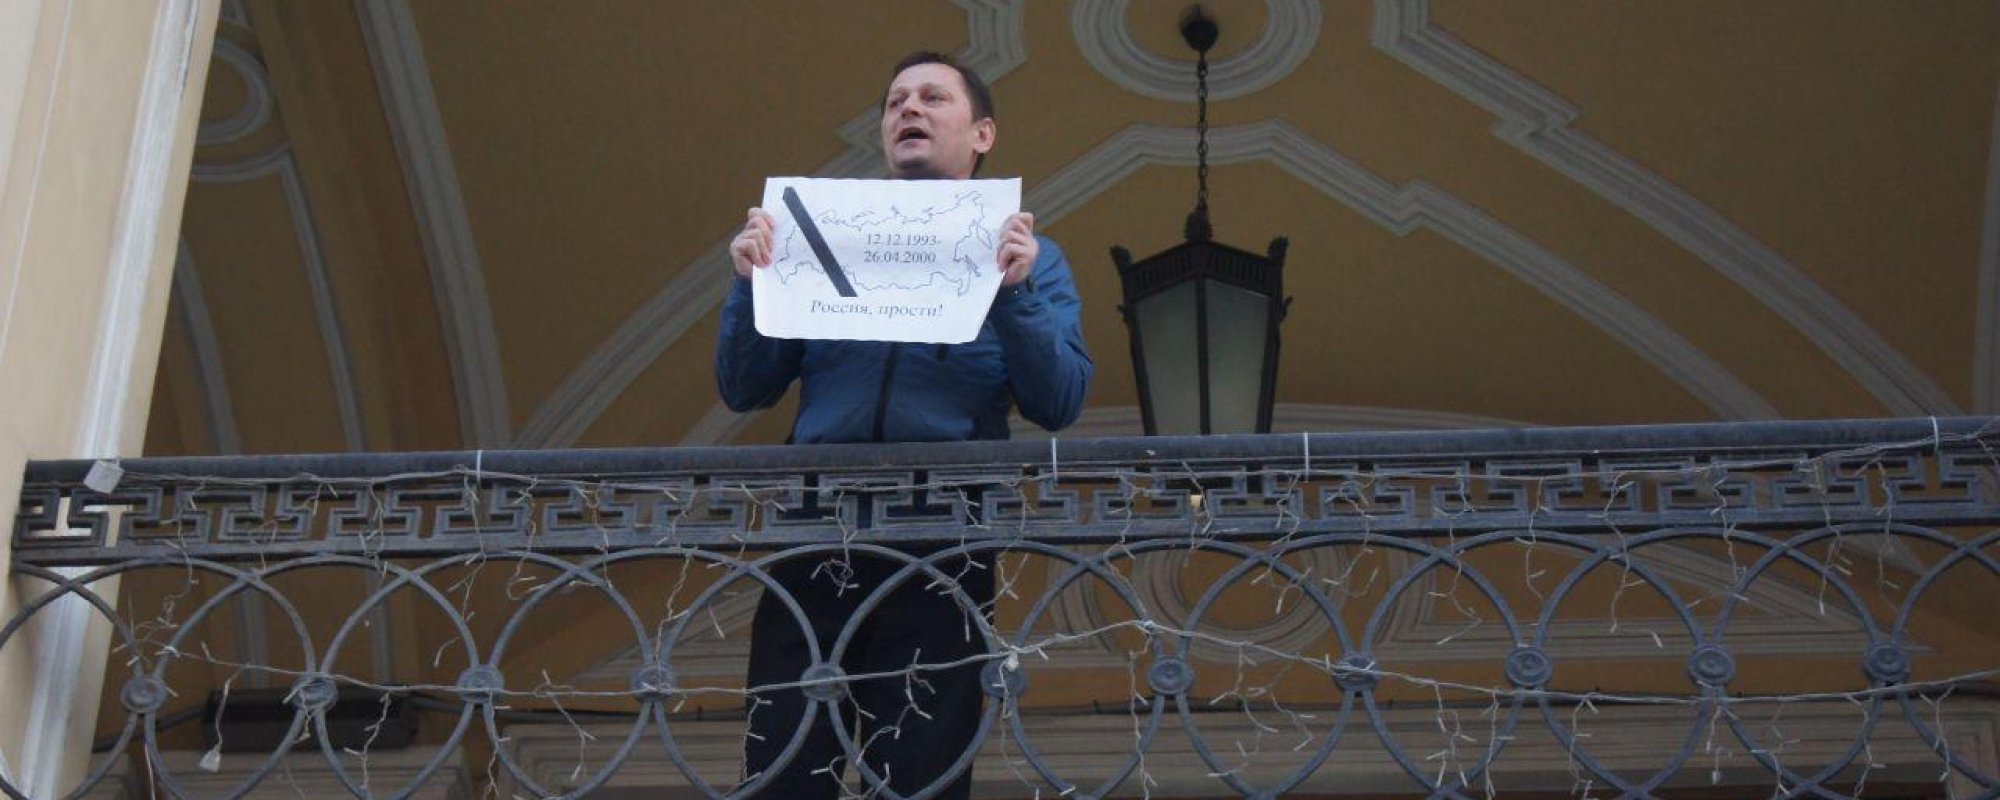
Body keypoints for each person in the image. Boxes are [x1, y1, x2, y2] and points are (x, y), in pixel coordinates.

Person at [714, 51, 1093, 798]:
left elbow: (1060, 399)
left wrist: (1014, 291)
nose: (908, 110)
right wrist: (749, 284)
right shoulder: (819, 237)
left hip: (943, 540)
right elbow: (744, 385)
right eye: (896, 102)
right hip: (816, 531)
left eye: (932, 98)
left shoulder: (1032, 259)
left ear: (982, 134)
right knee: (783, 767)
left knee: (920, 770)